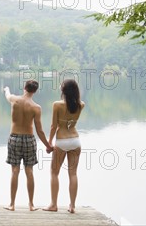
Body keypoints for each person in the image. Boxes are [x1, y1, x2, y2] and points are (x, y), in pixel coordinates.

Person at [3, 80, 53, 211]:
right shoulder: (36, 107)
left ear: (24, 87)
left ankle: (12, 204)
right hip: (29, 140)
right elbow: (40, 131)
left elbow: (8, 95)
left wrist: (6, 89)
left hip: (14, 138)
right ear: (35, 91)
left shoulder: (15, 100)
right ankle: (31, 204)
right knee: (29, 172)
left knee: (14, 171)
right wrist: (48, 145)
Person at [44, 79, 85, 214]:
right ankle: (72, 206)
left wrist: (49, 143)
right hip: (75, 140)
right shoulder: (81, 105)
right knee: (73, 173)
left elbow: (53, 126)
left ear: (63, 91)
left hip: (61, 141)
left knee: (54, 173)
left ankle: (53, 205)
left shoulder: (57, 105)